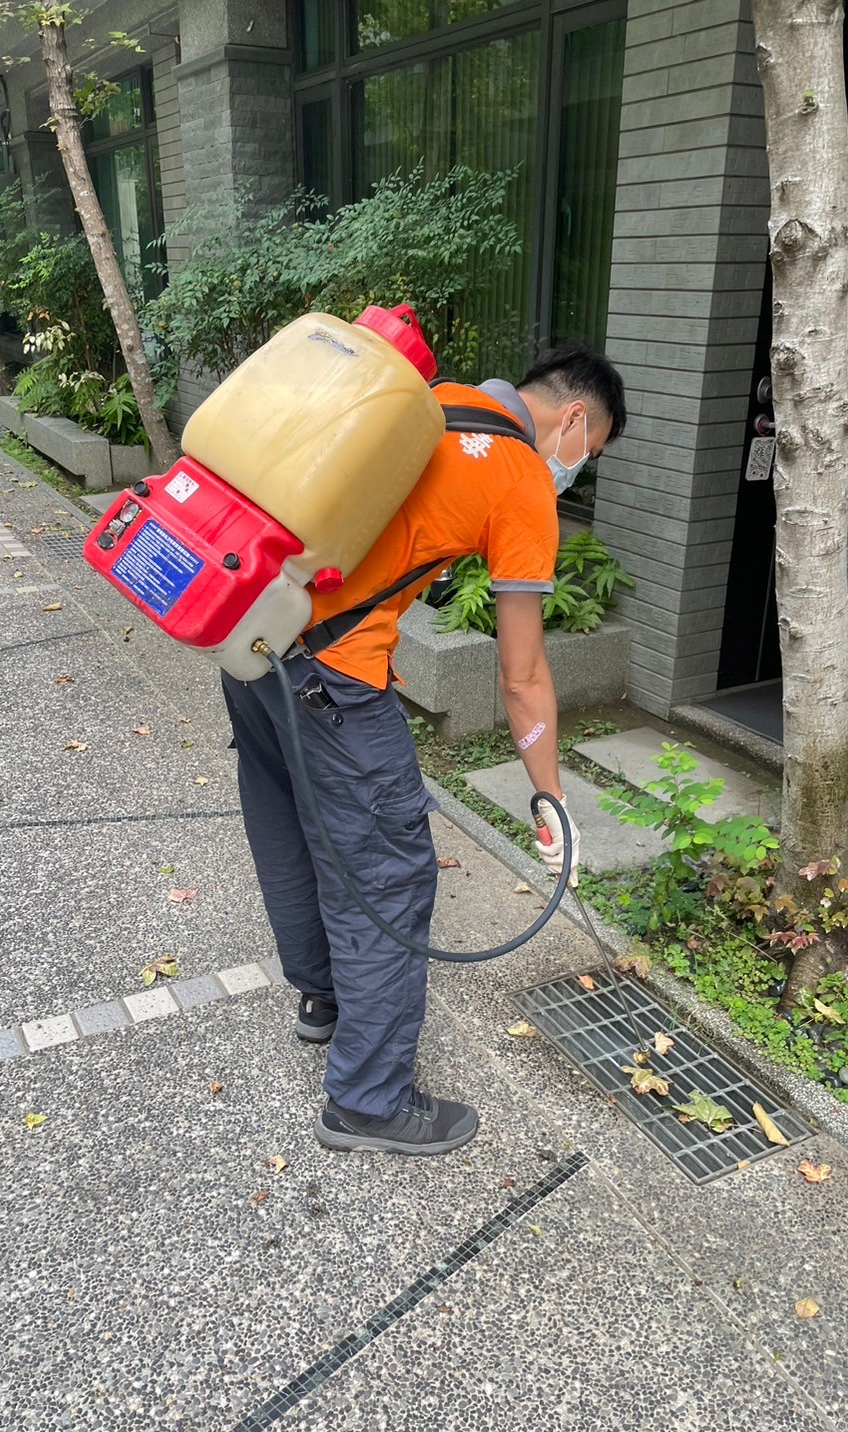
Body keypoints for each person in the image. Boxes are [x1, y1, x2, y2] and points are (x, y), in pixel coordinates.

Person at [221, 342, 627, 1156]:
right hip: (334, 679)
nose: (579, 465)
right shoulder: (520, 475)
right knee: (389, 871)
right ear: (575, 418)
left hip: (253, 639)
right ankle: (367, 1100)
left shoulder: (430, 400)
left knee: (292, 830)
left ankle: (326, 1001)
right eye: (593, 448)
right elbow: (523, 675)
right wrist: (550, 798)